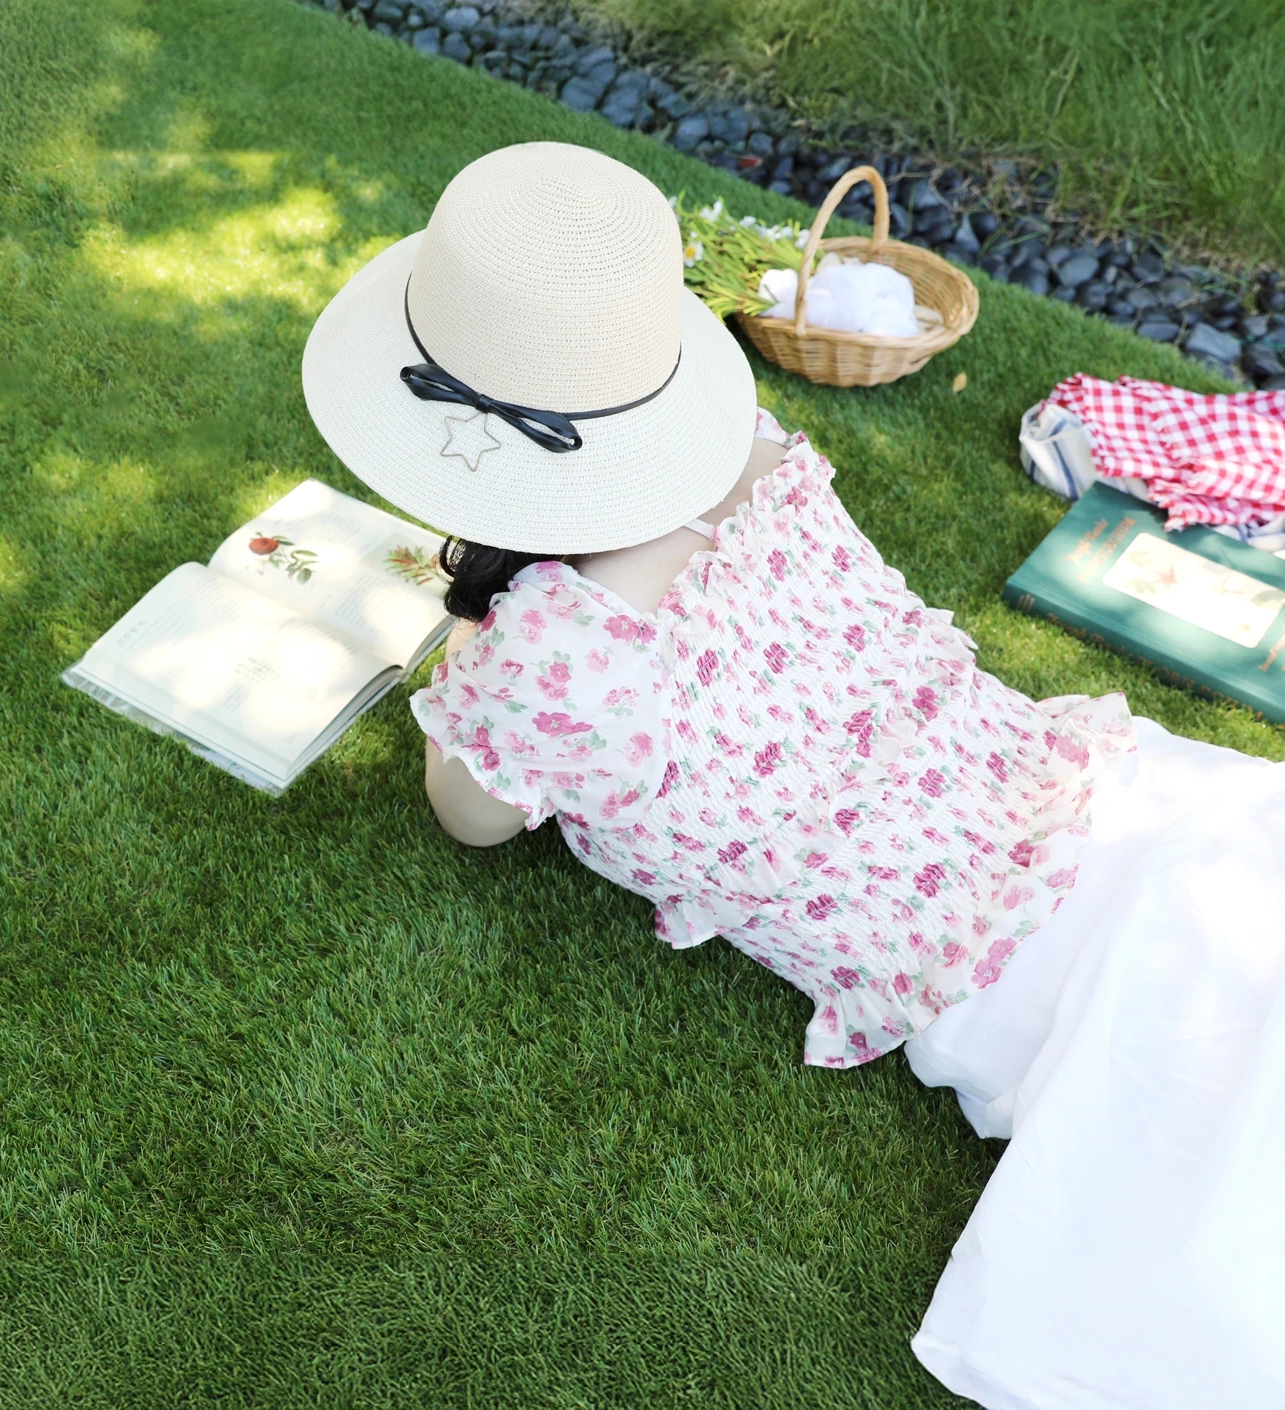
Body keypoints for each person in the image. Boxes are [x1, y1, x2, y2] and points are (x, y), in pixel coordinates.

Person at [302, 141, 1285, 1409]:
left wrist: (476, 632)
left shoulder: (549, 654)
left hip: (1014, 964)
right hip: (1098, 793)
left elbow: (469, 815)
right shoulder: (758, 453)